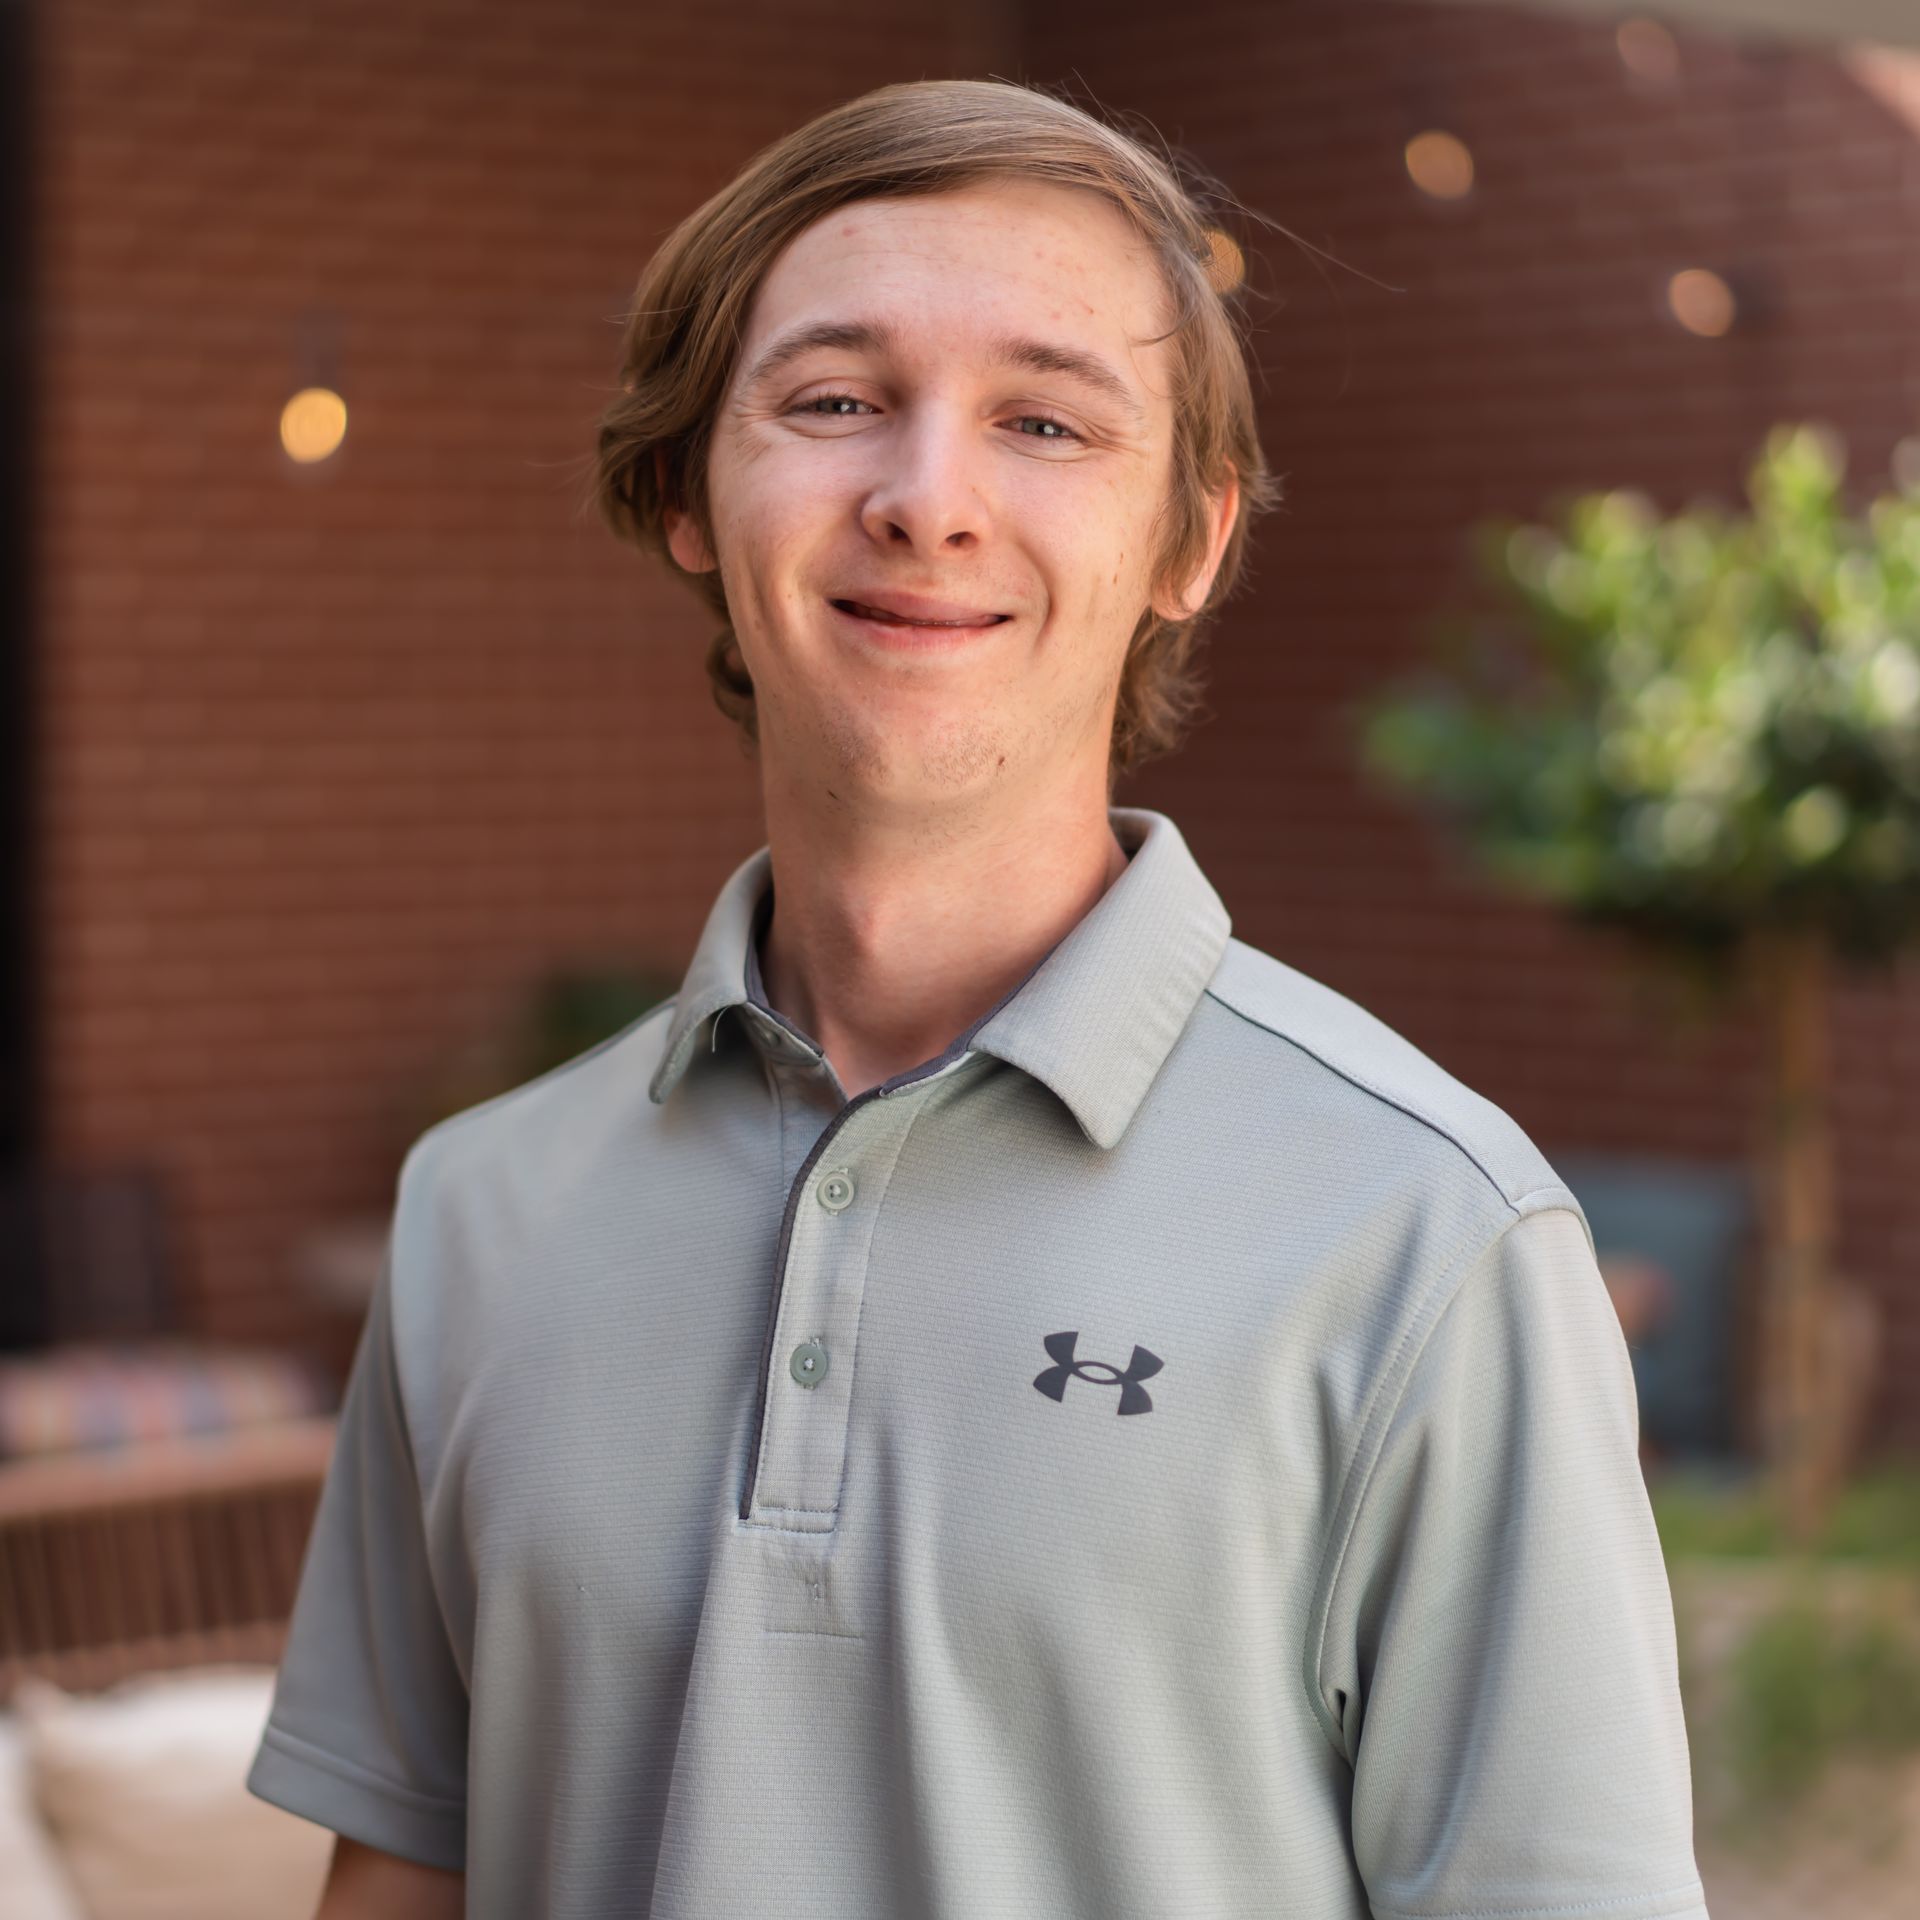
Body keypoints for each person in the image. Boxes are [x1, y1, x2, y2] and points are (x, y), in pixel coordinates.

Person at [247, 76, 1709, 1920]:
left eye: (1044, 419)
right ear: (696, 490)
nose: (927, 499)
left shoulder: (1429, 1239)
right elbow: (404, 1882)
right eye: (836, 401)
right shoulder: (477, 1207)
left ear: (1190, 541)